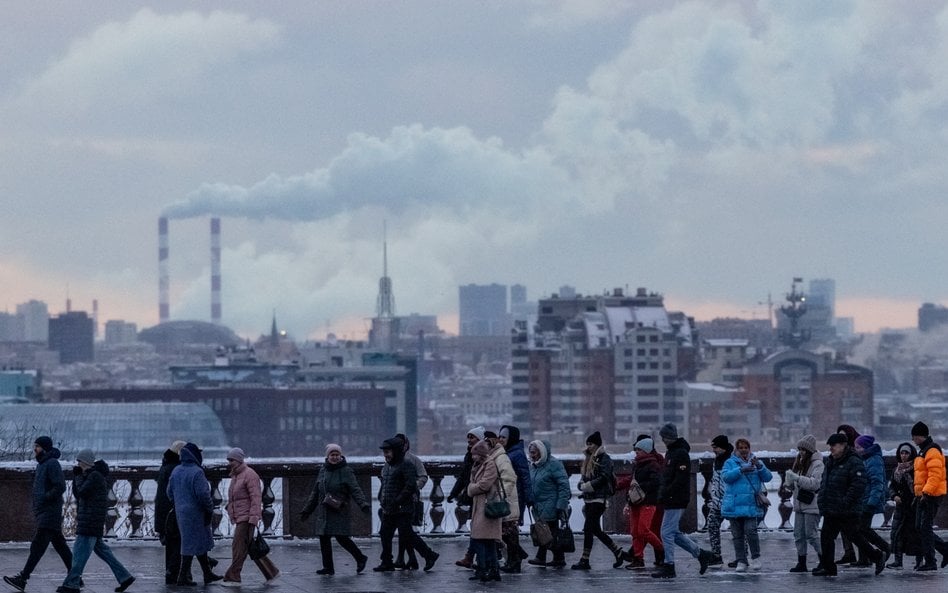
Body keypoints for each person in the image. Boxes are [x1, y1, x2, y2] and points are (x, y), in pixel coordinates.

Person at [56, 450, 134, 593]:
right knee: (105, 553)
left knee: (79, 555)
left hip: (90, 521)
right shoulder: (91, 475)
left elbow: (81, 492)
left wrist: (78, 476)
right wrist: (79, 476)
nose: (77, 464)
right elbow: (78, 494)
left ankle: (72, 584)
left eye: (79, 461)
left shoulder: (95, 476)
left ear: (85, 462)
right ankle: (125, 577)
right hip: (91, 520)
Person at [3, 436, 73, 593]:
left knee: (37, 546)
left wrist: (46, 498)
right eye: (35, 446)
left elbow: (60, 486)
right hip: (44, 512)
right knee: (61, 547)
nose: (35, 449)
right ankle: (76, 578)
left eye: (37, 446)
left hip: (50, 512)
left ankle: (22, 578)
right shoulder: (42, 464)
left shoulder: (52, 463)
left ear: (45, 448)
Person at [813, 434, 886, 577]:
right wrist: (823, 500)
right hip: (832, 507)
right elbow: (825, 483)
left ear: (842, 445)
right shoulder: (831, 461)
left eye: (834, 445)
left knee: (854, 536)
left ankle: (877, 556)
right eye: (830, 446)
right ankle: (829, 568)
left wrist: (846, 501)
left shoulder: (854, 461)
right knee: (827, 537)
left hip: (847, 509)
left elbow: (858, 484)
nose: (831, 448)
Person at [651, 423, 714, 579]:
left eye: (665, 437)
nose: (663, 440)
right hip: (671, 497)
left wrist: (666, 493)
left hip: (676, 498)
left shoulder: (680, 453)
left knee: (665, 532)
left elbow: (680, 479)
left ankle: (669, 566)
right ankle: (701, 554)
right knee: (674, 533)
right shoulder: (671, 453)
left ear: (670, 437)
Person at [299, 443, 371, 576]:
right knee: (324, 538)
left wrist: (363, 504)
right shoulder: (323, 470)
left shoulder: (346, 471)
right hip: (324, 510)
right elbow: (316, 492)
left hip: (339, 509)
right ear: (327, 456)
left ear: (341, 456)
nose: (335, 457)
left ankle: (360, 558)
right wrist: (307, 510)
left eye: (337, 454)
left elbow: (355, 489)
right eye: (332, 455)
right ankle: (328, 568)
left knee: (342, 537)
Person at [374, 437, 439, 572]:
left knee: (407, 534)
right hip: (389, 508)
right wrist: (383, 500)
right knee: (385, 533)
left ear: (396, 451)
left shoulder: (406, 465)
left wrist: (397, 501)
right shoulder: (387, 466)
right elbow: (385, 485)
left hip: (403, 508)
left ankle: (429, 555)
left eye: (388, 452)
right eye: (384, 452)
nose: (385, 455)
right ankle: (387, 561)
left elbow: (409, 486)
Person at [167, 443, 223, 586]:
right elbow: (203, 495)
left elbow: (169, 492)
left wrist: (179, 502)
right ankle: (183, 576)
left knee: (196, 542)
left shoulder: (176, 471)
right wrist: (209, 509)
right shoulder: (197, 472)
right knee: (192, 543)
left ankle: (207, 573)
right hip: (196, 513)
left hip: (181, 513)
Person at [221, 447, 279, 585]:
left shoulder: (249, 475)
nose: (230, 463)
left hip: (246, 517)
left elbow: (256, 498)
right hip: (240, 516)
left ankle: (233, 575)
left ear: (239, 460)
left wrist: (253, 519)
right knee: (250, 546)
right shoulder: (235, 475)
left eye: (232, 460)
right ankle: (272, 572)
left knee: (238, 546)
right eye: (229, 460)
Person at [572, 431, 624, 570]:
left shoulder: (604, 458)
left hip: (599, 499)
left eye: (591, 444)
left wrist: (589, 486)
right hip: (589, 499)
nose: (588, 447)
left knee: (588, 528)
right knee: (595, 530)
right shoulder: (588, 458)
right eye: (587, 444)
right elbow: (585, 477)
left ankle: (585, 559)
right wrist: (581, 484)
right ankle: (617, 551)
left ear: (597, 445)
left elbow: (604, 476)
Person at [721, 438, 772, 572]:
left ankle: (755, 557)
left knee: (751, 532)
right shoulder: (730, 462)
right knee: (737, 536)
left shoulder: (756, 461)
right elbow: (726, 477)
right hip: (734, 504)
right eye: (741, 448)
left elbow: (768, 477)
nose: (744, 450)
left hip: (750, 504)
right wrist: (741, 469)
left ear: (749, 449)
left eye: (746, 447)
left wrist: (760, 466)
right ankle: (741, 561)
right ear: (736, 450)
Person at [617, 437, 663, 569]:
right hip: (635, 501)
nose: (636, 452)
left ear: (646, 451)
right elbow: (632, 481)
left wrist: (639, 486)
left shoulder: (653, 465)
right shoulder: (638, 464)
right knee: (635, 532)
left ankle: (661, 548)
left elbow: (656, 483)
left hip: (648, 501)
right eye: (636, 449)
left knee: (643, 530)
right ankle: (638, 559)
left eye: (639, 450)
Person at [527, 439, 571, 568]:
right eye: (530, 453)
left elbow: (564, 485)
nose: (532, 456)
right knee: (549, 532)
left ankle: (542, 557)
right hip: (539, 505)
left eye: (534, 453)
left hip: (551, 504)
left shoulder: (553, 464)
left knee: (546, 531)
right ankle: (558, 557)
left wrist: (561, 504)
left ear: (542, 452)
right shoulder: (534, 466)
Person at [911, 421, 948, 570]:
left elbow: (935, 475)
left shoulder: (931, 451)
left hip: (930, 495)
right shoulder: (924, 450)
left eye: (914, 437)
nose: (913, 440)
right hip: (924, 495)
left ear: (920, 436)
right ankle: (944, 550)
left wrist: (926, 492)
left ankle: (931, 562)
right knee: (921, 528)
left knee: (924, 529)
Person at [783, 434, 823, 573]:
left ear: (810, 450)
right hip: (799, 504)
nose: (801, 452)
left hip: (812, 504)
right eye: (799, 449)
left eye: (804, 450)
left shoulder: (818, 464)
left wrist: (797, 478)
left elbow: (814, 483)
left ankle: (824, 560)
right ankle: (802, 563)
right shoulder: (799, 462)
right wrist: (789, 484)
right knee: (798, 535)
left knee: (811, 535)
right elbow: (797, 483)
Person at [467, 439, 504, 581]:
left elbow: (484, 485)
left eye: (474, 454)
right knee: (486, 540)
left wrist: (471, 489)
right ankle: (492, 570)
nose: (472, 457)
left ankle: (483, 570)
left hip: (488, 506)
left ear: (480, 454)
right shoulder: (477, 465)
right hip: (480, 506)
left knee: (480, 539)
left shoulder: (490, 464)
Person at [498, 425, 531, 573]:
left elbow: (525, 477)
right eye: (500, 437)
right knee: (507, 530)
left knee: (509, 530)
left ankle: (514, 561)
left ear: (511, 438)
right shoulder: (507, 452)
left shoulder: (517, 454)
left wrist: (529, 497)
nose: (501, 439)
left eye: (504, 437)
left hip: (516, 497)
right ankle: (516, 557)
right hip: (509, 496)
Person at [853, 435, 891, 566]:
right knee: (860, 529)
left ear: (865, 447)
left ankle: (885, 547)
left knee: (862, 529)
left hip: (869, 500)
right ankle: (864, 559)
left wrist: (871, 502)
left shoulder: (873, 460)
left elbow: (877, 483)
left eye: (858, 447)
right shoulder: (866, 459)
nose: (856, 449)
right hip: (863, 499)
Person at [488, 431, 521, 573]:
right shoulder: (495, 456)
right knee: (507, 534)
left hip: (507, 502)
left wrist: (502, 496)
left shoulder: (501, 458)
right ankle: (513, 561)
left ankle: (515, 562)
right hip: (505, 501)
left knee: (509, 534)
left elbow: (510, 477)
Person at [448, 427, 482, 567]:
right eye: (468, 437)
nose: (469, 440)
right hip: (472, 495)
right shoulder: (469, 456)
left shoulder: (484, 456)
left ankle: (480, 558)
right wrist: (454, 493)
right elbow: (463, 477)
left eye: (472, 437)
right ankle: (473, 556)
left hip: (481, 496)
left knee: (479, 528)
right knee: (477, 528)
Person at [394, 434, 427, 570]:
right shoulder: (391, 459)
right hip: (396, 500)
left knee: (405, 530)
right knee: (404, 530)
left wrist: (413, 487)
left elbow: (423, 476)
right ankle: (410, 558)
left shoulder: (413, 460)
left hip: (409, 500)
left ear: (407, 445)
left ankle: (405, 558)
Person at [887, 442, 921, 569]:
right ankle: (898, 561)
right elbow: (892, 487)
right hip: (901, 506)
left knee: (916, 534)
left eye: (906, 453)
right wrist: (894, 496)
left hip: (913, 506)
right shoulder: (896, 470)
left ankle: (919, 561)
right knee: (897, 534)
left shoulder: (916, 468)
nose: (904, 455)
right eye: (902, 453)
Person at [155, 441, 185, 584]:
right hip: (172, 512)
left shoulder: (165, 466)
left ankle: (172, 574)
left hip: (163, 512)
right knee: (178, 543)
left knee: (172, 545)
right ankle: (173, 573)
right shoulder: (176, 469)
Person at [833, 424, 860, 565]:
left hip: (852, 495)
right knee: (844, 527)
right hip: (842, 495)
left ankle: (868, 555)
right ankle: (849, 552)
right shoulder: (839, 453)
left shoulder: (855, 451)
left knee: (858, 528)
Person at [706, 434, 732, 567]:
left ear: (722, 447)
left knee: (737, 530)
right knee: (712, 526)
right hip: (717, 502)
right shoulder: (717, 460)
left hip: (730, 502)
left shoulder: (732, 460)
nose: (713, 450)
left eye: (715, 447)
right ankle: (716, 555)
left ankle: (741, 557)